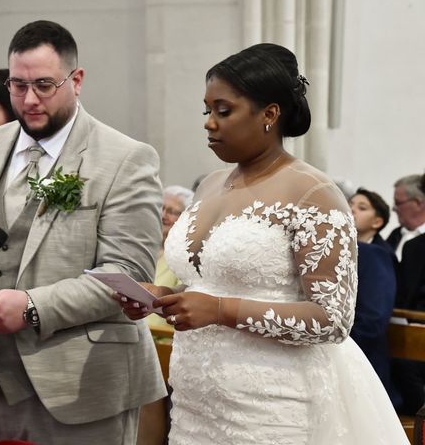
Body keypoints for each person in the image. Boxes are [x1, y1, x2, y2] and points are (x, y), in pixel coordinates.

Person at [115, 43, 407, 443]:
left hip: (273, 404)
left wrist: (220, 310)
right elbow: (210, 283)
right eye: (207, 111)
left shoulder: (312, 191)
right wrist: (165, 296)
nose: (209, 124)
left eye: (224, 110)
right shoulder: (212, 184)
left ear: (269, 114)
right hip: (195, 401)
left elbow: (332, 320)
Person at [0, 20, 166, 444]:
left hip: (80, 387)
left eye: (43, 85)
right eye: (18, 85)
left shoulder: (125, 158)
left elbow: (128, 274)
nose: (29, 99)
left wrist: (33, 307)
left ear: (76, 80)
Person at [349, 188, 399, 405]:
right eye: (350, 204)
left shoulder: (377, 254)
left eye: (361, 208)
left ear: (377, 222)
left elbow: (373, 318)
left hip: (361, 359)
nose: (351, 210)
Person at [385, 174, 425, 414]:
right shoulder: (396, 237)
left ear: (418, 203)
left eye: (398, 203)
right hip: (391, 322)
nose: (394, 210)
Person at [146, 185, 194, 328]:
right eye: (161, 208)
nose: (163, 215)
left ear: (185, 219)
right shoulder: (143, 249)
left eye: (172, 212)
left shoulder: (184, 258)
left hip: (163, 338)